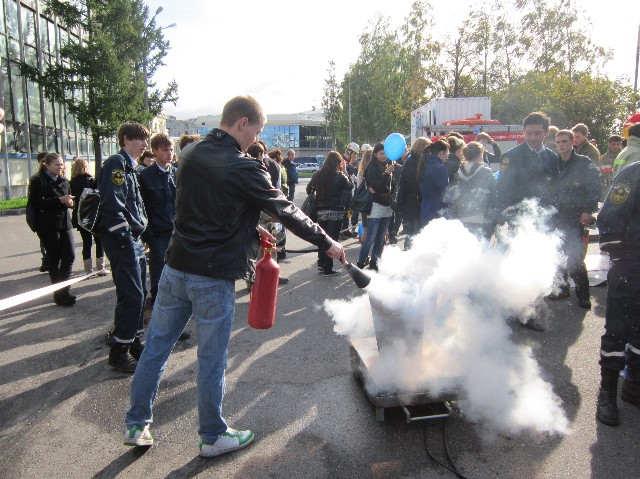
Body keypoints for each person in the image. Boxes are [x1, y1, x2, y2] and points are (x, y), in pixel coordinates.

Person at [124, 95, 344, 457]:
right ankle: (212, 436)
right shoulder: (244, 167)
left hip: (176, 267)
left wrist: (251, 227)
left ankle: (136, 424)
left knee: (156, 349)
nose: (256, 138)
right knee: (212, 359)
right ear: (243, 123)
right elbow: (286, 210)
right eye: (256, 130)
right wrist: (327, 241)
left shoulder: (190, 153)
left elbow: (203, 207)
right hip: (212, 277)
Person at [494, 111, 559, 331]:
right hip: (519, 219)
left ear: (546, 133)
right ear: (523, 132)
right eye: (529, 133)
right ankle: (512, 308)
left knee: (538, 265)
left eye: (538, 133)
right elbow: (502, 187)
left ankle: (530, 310)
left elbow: (555, 189)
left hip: (543, 220)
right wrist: (504, 211)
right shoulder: (511, 156)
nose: (533, 137)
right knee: (516, 263)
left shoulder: (552, 158)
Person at [99, 121, 149, 373]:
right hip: (123, 241)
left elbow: (134, 207)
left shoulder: (130, 167)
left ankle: (135, 342)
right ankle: (118, 351)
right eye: (140, 139)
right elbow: (113, 206)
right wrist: (126, 238)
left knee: (140, 293)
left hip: (134, 239)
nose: (144, 145)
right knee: (132, 296)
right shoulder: (116, 164)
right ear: (126, 139)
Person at [595, 160, 640, 427]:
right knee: (618, 330)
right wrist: (622, 257)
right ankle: (607, 392)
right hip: (632, 264)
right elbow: (609, 215)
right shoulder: (634, 172)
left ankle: (633, 385)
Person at [549, 129, 601, 309]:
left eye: (564, 141)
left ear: (573, 142)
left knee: (575, 257)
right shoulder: (554, 164)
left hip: (576, 217)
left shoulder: (583, 163)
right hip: (557, 216)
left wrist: (588, 210)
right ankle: (562, 289)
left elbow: (595, 188)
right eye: (558, 142)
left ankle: (583, 295)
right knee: (558, 255)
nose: (561, 145)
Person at [29, 152, 76, 306]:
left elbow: (69, 197)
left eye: (62, 164)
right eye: (57, 164)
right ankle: (59, 294)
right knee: (54, 259)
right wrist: (58, 200)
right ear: (47, 165)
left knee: (70, 256)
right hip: (48, 225)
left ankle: (64, 291)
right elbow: (36, 203)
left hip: (64, 223)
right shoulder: (38, 180)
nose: (60, 167)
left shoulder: (64, 180)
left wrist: (70, 203)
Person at [138, 133, 176, 308]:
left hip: (175, 231)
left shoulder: (176, 173)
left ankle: (173, 306)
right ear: (154, 151)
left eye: (171, 149)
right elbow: (142, 207)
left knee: (176, 271)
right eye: (165, 150)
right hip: (157, 233)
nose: (169, 153)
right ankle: (157, 306)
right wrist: (148, 235)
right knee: (159, 272)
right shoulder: (145, 176)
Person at [307, 151, 353, 275]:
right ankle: (328, 268)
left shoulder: (318, 174)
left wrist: (317, 193)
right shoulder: (340, 176)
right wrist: (345, 171)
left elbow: (308, 189)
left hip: (320, 211)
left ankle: (321, 263)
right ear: (338, 163)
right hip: (335, 212)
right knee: (331, 240)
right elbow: (350, 186)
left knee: (323, 238)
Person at [447, 141, 496, 239]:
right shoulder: (486, 173)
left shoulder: (458, 174)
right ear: (480, 155)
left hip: (461, 218)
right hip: (481, 218)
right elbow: (494, 195)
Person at [356, 143, 394, 271]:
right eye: (381, 153)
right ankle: (360, 263)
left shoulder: (388, 165)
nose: (384, 156)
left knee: (381, 238)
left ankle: (374, 263)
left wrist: (389, 176)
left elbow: (391, 186)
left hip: (387, 205)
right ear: (375, 154)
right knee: (370, 238)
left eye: (385, 153)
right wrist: (386, 174)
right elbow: (376, 186)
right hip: (375, 206)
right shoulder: (372, 167)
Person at [69, 157, 108, 275]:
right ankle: (100, 268)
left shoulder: (71, 182)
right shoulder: (90, 180)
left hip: (79, 215)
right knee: (99, 241)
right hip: (92, 215)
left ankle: (88, 270)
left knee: (86, 243)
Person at [396, 137, 430, 250]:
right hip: (413, 201)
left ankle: (409, 252)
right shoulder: (414, 162)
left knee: (412, 232)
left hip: (410, 201)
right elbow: (413, 182)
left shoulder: (411, 160)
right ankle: (409, 254)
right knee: (414, 232)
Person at [419, 139, 450, 226]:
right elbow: (444, 192)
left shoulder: (424, 165)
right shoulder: (440, 169)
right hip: (437, 209)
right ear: (441, 153)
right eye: (447, 153)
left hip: (425, 207)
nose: (448, 155)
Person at [30, 151, 50, 272]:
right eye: (43, 161)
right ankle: (47, 260)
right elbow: (34, 201)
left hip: (55, 217)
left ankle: (50, 260)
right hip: (42, 217)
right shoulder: (36, 179)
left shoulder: (59, 177)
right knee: (44, 240)